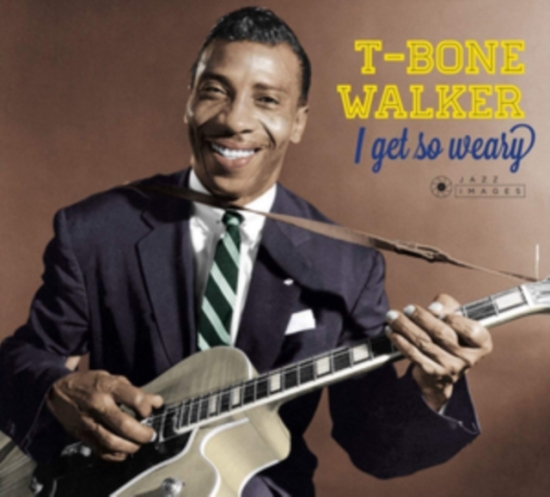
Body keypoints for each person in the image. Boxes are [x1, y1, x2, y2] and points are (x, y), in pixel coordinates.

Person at [0, 7, 492, 496]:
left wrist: (433, 388)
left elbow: (374, 447)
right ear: (189, 101)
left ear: (297, 122)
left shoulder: (347, 265)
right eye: (215, 92)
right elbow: (23, 360)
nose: (235, 120)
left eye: (267, 100)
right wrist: (55, 390)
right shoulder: (96, 229)